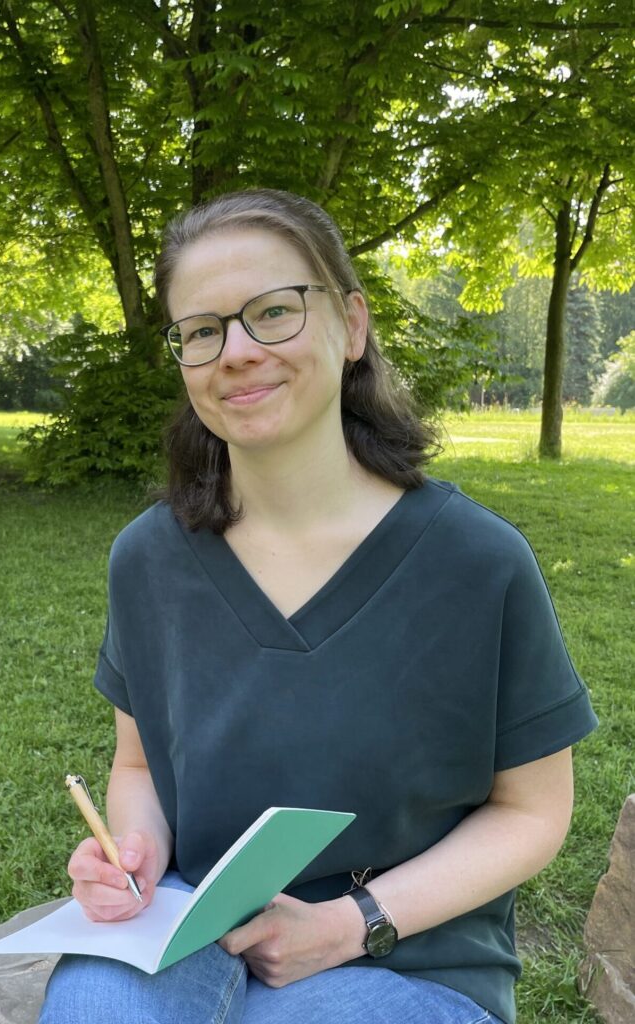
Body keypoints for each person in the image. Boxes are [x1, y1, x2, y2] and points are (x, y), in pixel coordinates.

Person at [38, 189, 597, 1024]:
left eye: (272, 312)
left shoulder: (478, 563)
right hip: (191, 932)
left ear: (352, 325)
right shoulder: (148, 558)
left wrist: (352, 923)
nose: (235, 351)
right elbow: (140, 766)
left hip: (407, 959)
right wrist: (139, 853)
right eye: (201, 330)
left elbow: (534, 811)